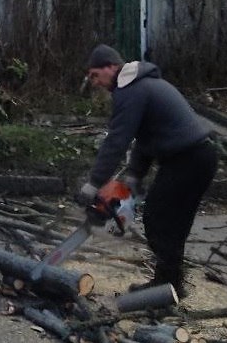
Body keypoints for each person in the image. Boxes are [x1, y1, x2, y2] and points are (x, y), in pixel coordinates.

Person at [78, 44, 217, 298]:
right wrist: (134, 176)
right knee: (173, 224)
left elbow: (118, 140)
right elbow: (145, 136)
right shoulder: (140, 86)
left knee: (156, 218)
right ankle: (170, 286)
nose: (95, 82)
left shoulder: (130, 90)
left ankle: (168, 283)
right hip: (198, 157)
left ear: (110, 66)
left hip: (188, 159)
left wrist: (94, 183)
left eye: (96, 75)